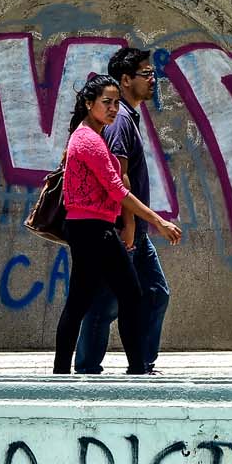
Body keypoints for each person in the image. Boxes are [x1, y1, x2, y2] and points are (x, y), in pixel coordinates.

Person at [53, 74, 181, 375]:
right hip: (95, 230)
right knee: (130, 295)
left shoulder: (88, 137)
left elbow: (117, 182)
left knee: (82, 300)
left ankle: (62, 372)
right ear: (89, 104)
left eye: (115, 103)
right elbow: (117, 189)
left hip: (88, 228)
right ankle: (137, 368)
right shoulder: (88, 140)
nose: (113, 109)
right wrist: (158, 221)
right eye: (106, 103)